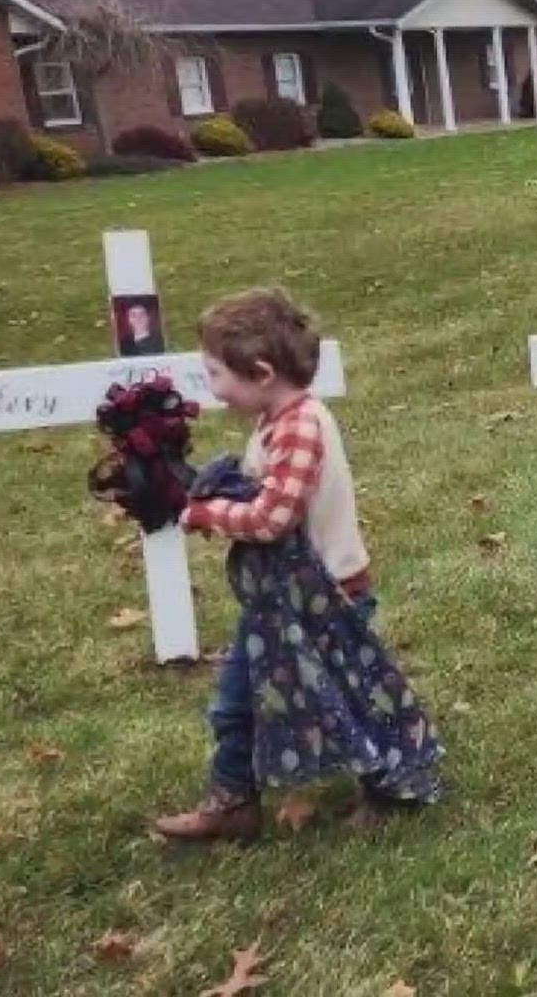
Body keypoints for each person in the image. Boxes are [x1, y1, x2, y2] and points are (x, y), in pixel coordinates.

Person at [155, 288, 442, 841]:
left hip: (328, 598)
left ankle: (386, 787)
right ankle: (233, 799)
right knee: (239, 699)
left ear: (261, 372)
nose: (211, 389)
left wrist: (205, 512)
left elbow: (273, 519)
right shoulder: (276, 419)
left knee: (351, 696)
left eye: (214, 374)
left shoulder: (299, 427)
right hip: (282, 601)